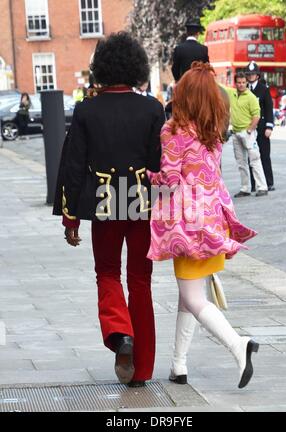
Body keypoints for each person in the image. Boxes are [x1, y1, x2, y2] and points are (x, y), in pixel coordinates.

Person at [53, 32, 165, 387]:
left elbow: (73, 165)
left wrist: (70, 216)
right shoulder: (152, 108)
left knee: (107, 274)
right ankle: (142, 370)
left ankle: (120, 334)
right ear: (136, 67)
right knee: (141, 283)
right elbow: (159, 163)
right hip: (142, 202)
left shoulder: (87, 109)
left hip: (104, 201)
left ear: (101, 68)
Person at [146, 62, 259, 389]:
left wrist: (145, 175)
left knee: (194, 298)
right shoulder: (212, 131)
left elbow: (169, 179)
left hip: (187, 225)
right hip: (214, 220)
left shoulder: (173, 131)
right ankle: (178, 365)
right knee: (189, 293)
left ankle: (238, 345)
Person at [223, 72, 268, 197]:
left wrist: (249, 130)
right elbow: (219, 87)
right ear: (235, 83)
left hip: (248, 133)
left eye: (243, 82)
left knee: (254, 160)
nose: (241, 85)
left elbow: (257, 116)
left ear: (246, 82)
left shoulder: (251, 97)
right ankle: (245, 188)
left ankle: (262, 187)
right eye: (239, 82)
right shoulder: (231, 93)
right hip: (236, 133)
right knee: (241, 163)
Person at [245, 62, 275, 192]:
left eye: (253, 74)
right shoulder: (245, 89)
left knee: (264, 155)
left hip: (262, 127)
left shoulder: (264, 89)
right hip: (249, 128)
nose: (251, 76)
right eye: (249, 74)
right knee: (251, 156)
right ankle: (253, 184)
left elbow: (269, 109)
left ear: (258, 75)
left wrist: (269, 126)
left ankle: (269, 182)